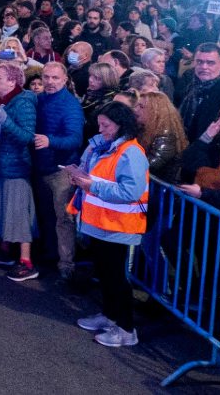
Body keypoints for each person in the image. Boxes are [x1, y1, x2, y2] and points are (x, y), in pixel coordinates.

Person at [69, 100, 150, 349]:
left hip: (119, 226)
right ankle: (110, 314)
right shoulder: (108, 148)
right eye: (100, 124)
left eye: (106, 125)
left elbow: (131, 191)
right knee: (106, 273)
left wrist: (91, 184)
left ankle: (126, 328)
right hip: (101, 222)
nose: (101, 129)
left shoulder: (131, 152)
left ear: (119, 124)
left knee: (116, 277)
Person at [30, 60, 85, 282]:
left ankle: (66, 264)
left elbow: (75, 139)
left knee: (63, 219)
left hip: (61, 171)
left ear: (65, 80)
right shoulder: (39, 100)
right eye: (46, 77)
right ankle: (49, 254)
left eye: (55, 78)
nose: (50, 82)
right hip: (41, 167)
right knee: (45, 215)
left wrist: (50, 141)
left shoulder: (71, 106)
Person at [0, 63, 38, 280]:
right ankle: (5, 251)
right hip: (1, 164)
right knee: (2, 209)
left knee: (18, 214)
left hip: (16, 166)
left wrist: (5, 121)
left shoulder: (23, 103)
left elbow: (27, 137)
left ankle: (26, 261)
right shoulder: (1, 100)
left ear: (12, 81)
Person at [131, 89, 189, 182]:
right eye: (136, 105)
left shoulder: (166, 136)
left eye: (141, 106)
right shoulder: (142, 128)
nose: (135, 109)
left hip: (159, 189)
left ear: (155, 112)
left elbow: (151, 165)